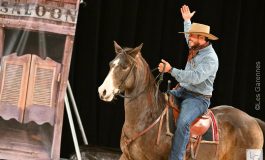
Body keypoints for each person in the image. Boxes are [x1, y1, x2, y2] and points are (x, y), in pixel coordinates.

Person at [158, 5, 219, 160]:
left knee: (183, 122)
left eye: (192, 36)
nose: (189, 38)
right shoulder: (196, 46)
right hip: (183, 90)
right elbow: (188, 38)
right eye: (190, 35)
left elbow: (195, 77)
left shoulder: (210, 59)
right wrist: (187, 21)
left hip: (198, 98)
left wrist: (171, 70)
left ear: (202, 38)